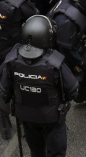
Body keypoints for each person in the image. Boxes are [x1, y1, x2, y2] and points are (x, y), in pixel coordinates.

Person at [0, 15, 78, 156]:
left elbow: (4, 91)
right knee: (56, 153)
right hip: (52, 119)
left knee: (36, 151)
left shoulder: (12, 60)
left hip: (27, 118)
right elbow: (73, 90)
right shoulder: (55, 62)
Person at [0, 0, 38, 140]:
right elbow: (37, 21)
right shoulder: (18, 3)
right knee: (20, 89)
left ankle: (4, 125)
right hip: (13, 53)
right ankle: (25, 125)